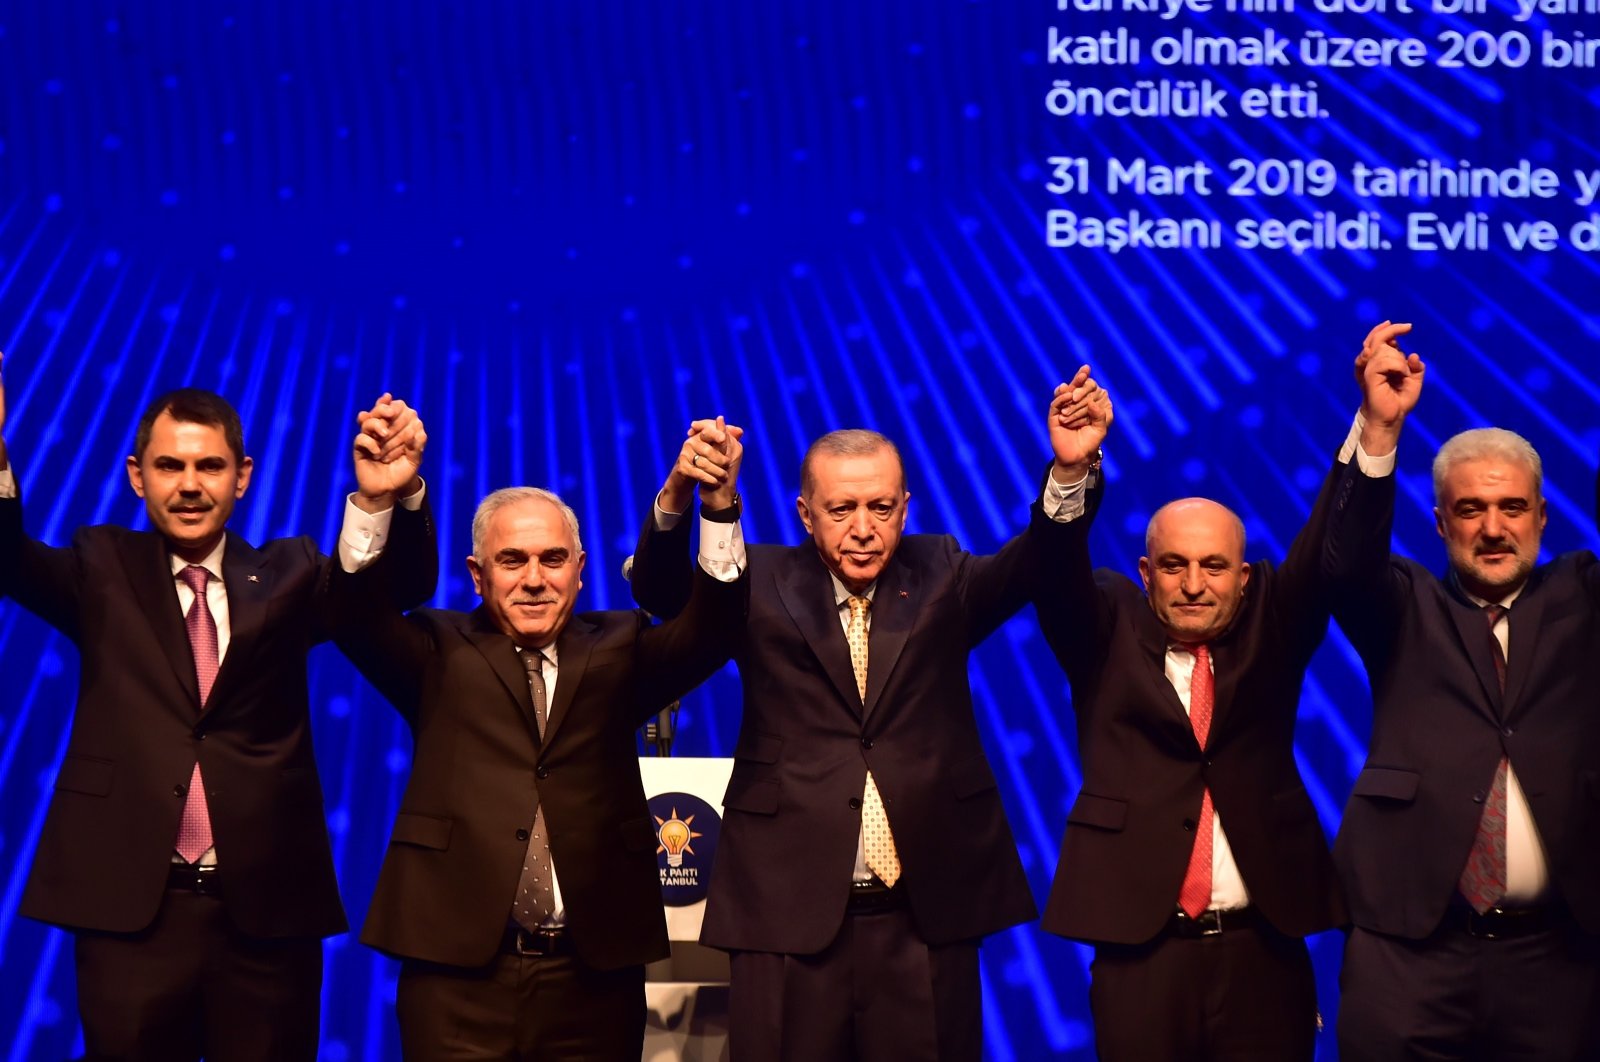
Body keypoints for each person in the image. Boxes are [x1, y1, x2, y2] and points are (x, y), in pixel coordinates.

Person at [627, 373, 1106, 1061]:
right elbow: (665, 594)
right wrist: (688, 500)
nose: (862, 529)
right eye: (841, 508)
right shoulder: (754, 578)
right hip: (786, 913)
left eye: (881, 507)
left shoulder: (941, 571)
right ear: (804, 513)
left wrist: (1067, 470)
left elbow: (1038, 564)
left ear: (906, 506)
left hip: (924, 913)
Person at [0, 351, 434, 1062]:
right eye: (170, 466)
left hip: (264, 918)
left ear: (243, 479)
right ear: (138, 477)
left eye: (210, 468)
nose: (191, 485)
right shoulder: (100, 567)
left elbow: (390, 596)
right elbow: (5, 554)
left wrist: (389, 497)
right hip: (129, 913)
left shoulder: (291, 575)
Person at [325, 421, 748, 1061]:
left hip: (594, 977)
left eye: (552, 560)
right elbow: (353, 613)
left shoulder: (620, 646)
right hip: (456, 975)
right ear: (476, 574)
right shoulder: (438, 651)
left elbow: (715, 629)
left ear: (579, 572)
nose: (533, 579)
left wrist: (711, 502)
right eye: (511, 560)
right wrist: (385, 498)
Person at [1032, 380, 1347, 1060]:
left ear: (1244, 577)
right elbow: (1054, 575)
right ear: (1146, 573)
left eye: (1214, 567)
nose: (1195, 584)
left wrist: (1375, 430)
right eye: (1174, 566)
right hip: (1143, 957)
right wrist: (1072, 471)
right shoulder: (1106, 629)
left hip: (1263, 951)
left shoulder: (1273, 627)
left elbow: (1328, 546)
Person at [1327, 321, 1600, 1058]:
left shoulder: (1582, 595)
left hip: (1559, 958)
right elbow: (1343, 562)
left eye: (1512, 508)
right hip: (1411, 952)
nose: (1493, 528)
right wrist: (1379, 429)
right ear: (1441, 521)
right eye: (1471, 511)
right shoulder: (1404, 602)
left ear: (1541, 520)